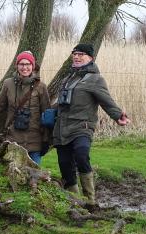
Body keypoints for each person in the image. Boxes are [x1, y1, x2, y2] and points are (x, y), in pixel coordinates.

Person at [53, 43, 130, 211]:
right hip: (61, 129)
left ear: (91, 58)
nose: (77, 57)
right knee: (65, 165)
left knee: (81, 155)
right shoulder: (67, 79)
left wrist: (118, 116)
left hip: (82, 126)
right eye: (75, 54)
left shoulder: (95, 79)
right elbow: (60, 103)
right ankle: (75, 201)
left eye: (81, 54)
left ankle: (91, 202)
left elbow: (106, 101)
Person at [0, 51, 51, 165]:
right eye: (21, 64)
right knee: (13, 174)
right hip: (13, 139)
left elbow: (47, 114)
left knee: (34, 176)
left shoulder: (41, 87)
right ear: (17, 66)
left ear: (33, 66)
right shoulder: (8, 83)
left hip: (34, 140)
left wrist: (46, 139)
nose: (24, 67)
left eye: (28, 64)